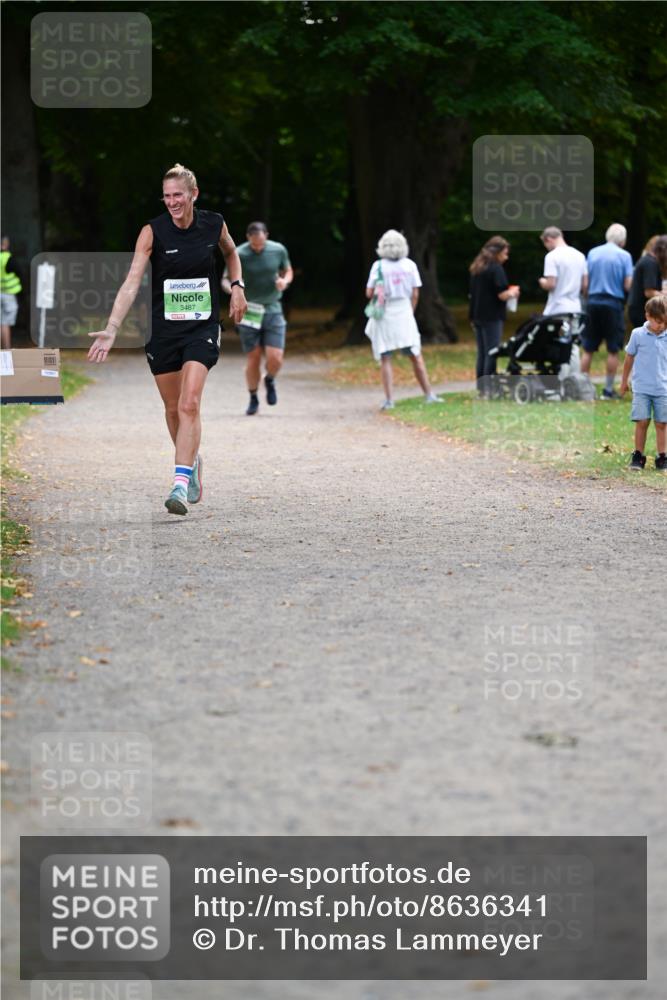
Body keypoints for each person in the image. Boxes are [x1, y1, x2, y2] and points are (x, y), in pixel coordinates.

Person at [87, 163, 247, 514]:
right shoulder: (152, 232)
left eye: (178, 195)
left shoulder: (214, 223)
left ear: (193, 194)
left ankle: (178, 483)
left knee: (190, 404)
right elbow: (132, 281)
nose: (172, 201)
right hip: (162, 330)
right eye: (167, 196)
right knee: (173, 408)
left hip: (202, 327)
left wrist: (237, 286)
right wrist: (112, 326)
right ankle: (191, 462)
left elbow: (231, 252)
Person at [364, 229, 441, 410]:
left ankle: (390, 399)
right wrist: (410, 312)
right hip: (405, 312)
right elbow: (415, 293)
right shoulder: (410, 265)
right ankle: (429, 394)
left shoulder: (378, 266)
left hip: (384, 313)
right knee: (415, 355)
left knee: (385, 356)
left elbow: (369, 292)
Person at [223, 221, 293, 416]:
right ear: (248, 238)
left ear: (266, 236)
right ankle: (253, 396)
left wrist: (284, 282)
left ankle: (269, 378)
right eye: (254, 244)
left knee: (275, 357)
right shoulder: (239, 253)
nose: (258, 247)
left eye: (261, 243)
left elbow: (288, 270)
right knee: (253, 357)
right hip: (249, 310)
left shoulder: (278, 250)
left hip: (273, 308)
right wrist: (234, 291)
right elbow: (225, 279)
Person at [581, 223, 634, 399]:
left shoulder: (593, 253)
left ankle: (583, 389)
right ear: (623, 240)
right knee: (613, 349)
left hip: (593, 302)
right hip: (613, 304)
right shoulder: (624, 256)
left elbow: (586, 283)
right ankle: (608, 390)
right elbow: (627, 284)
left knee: (588, 348)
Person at [619, 294, 667, 472]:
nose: (661, 325)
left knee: (662, 423)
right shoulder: (637, 334)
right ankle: (638, 456)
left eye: (664, 322)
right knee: (642, 421)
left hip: (663, 388)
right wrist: (624, 381)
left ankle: (662, 457)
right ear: (647, 316)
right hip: (641, 388)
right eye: (658, 321)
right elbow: (629, 358)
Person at [468, 236, 520, 394]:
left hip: (477, 315)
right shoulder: (496, 269)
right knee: (492, 352)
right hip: (492, 316)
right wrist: (513, 292)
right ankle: (490, 388)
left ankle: (482, 386)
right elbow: (501, 295)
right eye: (504, 253)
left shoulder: (478, 267)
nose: (506, 257)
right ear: (497, 253)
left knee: (482, 353)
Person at [539, 227, 588, 316]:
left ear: (548, 239)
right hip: (576, 308)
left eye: (545, 244)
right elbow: (585, 285)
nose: (546, 247)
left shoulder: (551, 256)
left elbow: (551, 284)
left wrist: (543, 282)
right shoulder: (580, 255)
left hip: (557, 308)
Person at [628, 234, 667, 329]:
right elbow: (649, 292)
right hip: (641, 311)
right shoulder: (650, 263)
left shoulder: (648, 260)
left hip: (639, 309)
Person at [1, 235, 22, 349]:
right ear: (5, 245)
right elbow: (19, 272)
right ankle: (7, 350)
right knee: (5, 323)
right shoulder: (8, 258)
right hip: (8, 294)